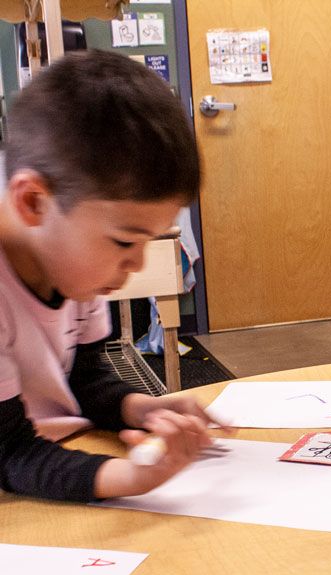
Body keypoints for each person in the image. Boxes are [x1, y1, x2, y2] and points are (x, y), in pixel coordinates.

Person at [0, 49, 218, 502]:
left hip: (52, 465)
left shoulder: (70, 265)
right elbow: (10, 454)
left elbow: (84, 383)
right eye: (124, 242)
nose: (136, 265)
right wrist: (131, 478)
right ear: (35, 202)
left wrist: (142, 408)